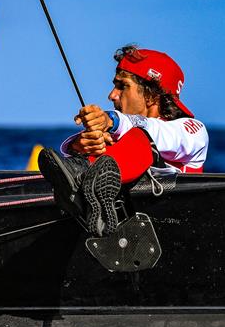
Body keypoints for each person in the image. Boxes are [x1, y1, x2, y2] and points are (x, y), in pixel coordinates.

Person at [39, 45, 208, 236]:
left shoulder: (194, 132)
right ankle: (81, 175)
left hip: (174, 231)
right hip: (128, 237)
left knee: (141, 137)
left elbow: (153, 131)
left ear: (152, 95)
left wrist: (112, 120)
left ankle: (84, 181)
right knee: (107, 147)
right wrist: (79, 145)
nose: (112, 95)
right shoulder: (121, 135)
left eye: (123, 86)